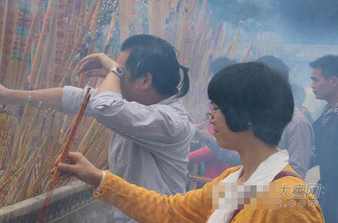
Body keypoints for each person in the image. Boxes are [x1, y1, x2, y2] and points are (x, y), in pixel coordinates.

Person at [56, 62, 324, 222]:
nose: (210, 116)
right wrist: (98, 178)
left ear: (249, 116)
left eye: (217, 108)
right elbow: (170, 212)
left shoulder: (290, 199)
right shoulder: (236, 182)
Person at [0, 34, 194, 223]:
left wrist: (113, 69)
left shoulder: (170, 121)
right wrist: (7, 95)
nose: (116, 78)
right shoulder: (140, 108)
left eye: (121, 73)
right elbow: (78, 99)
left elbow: (104, 107)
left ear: (145, 80)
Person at [197, 56, 314, 179]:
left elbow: (297, 173)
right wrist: (209, 140)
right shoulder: (257, 117)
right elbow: (240, 157)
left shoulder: (297, 122)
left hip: (271, 195)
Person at [188, 57, 237, 184]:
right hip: (206, 177)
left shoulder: (230, 110)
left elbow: (215, 148)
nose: (209, 80)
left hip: (221, 178)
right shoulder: (213, 106)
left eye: (213, 77)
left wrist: (185, 159)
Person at [309, 55, 338, 222]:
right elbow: (313, 156)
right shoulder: (321, 120)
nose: (312, 86)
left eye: (316, 80)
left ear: (333, 81)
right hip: (330, 199)